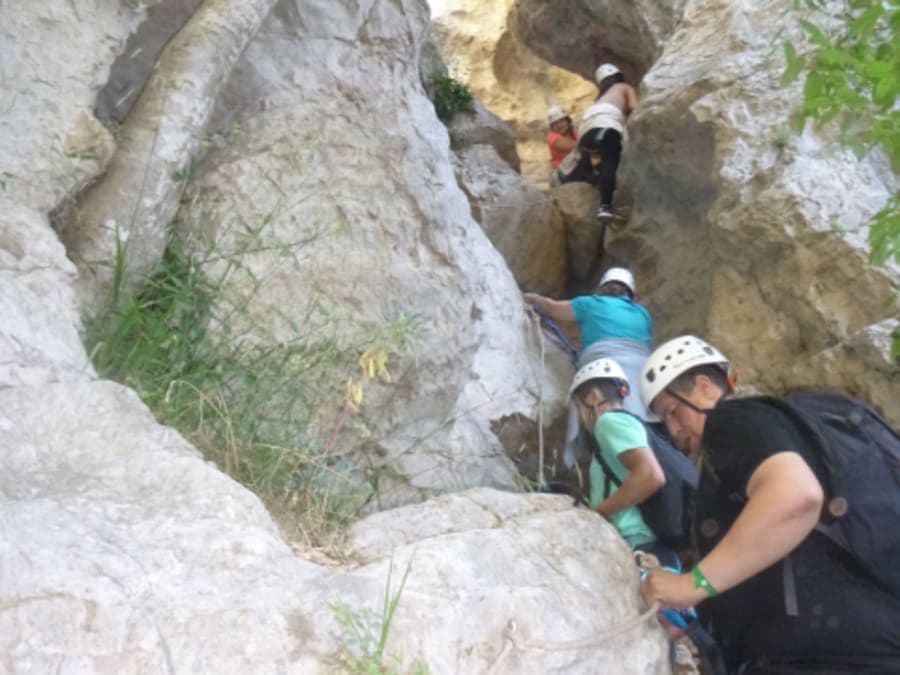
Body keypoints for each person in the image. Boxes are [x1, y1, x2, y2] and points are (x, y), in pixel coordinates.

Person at [637, 335, 900, 674]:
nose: (673, 430)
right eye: (665, 420)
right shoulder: (768, 439)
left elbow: (795, 495)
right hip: (854, 643)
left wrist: (692, 585)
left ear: (704, 387)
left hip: (828, 654)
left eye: (673, 412)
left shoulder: (732, 419)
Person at [524, 267, 653, 467]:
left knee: (598, 414)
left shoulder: (590, 303)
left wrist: (531, 298)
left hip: (603, 365)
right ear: (629, 293)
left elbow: (551, 308)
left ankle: (583, 461)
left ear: (602, 288)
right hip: (642, 369)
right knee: (639, 419)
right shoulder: (643, 314)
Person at [569, 357, 679, 570]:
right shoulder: (633, 424)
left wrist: (598, 514)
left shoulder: (608, 422)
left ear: (593, 397)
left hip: (635, 540)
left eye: (578, 407)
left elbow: (651, 476)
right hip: (651, 539)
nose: (580, 418)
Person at [559, 63, 638, 218]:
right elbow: (635, 107)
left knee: (599, 161)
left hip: (586, 131)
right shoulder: (624, 87)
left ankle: (588, 184)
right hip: (606, 125)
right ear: (618, 76)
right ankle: (605, 206)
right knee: (611, 161)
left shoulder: (600, 98)